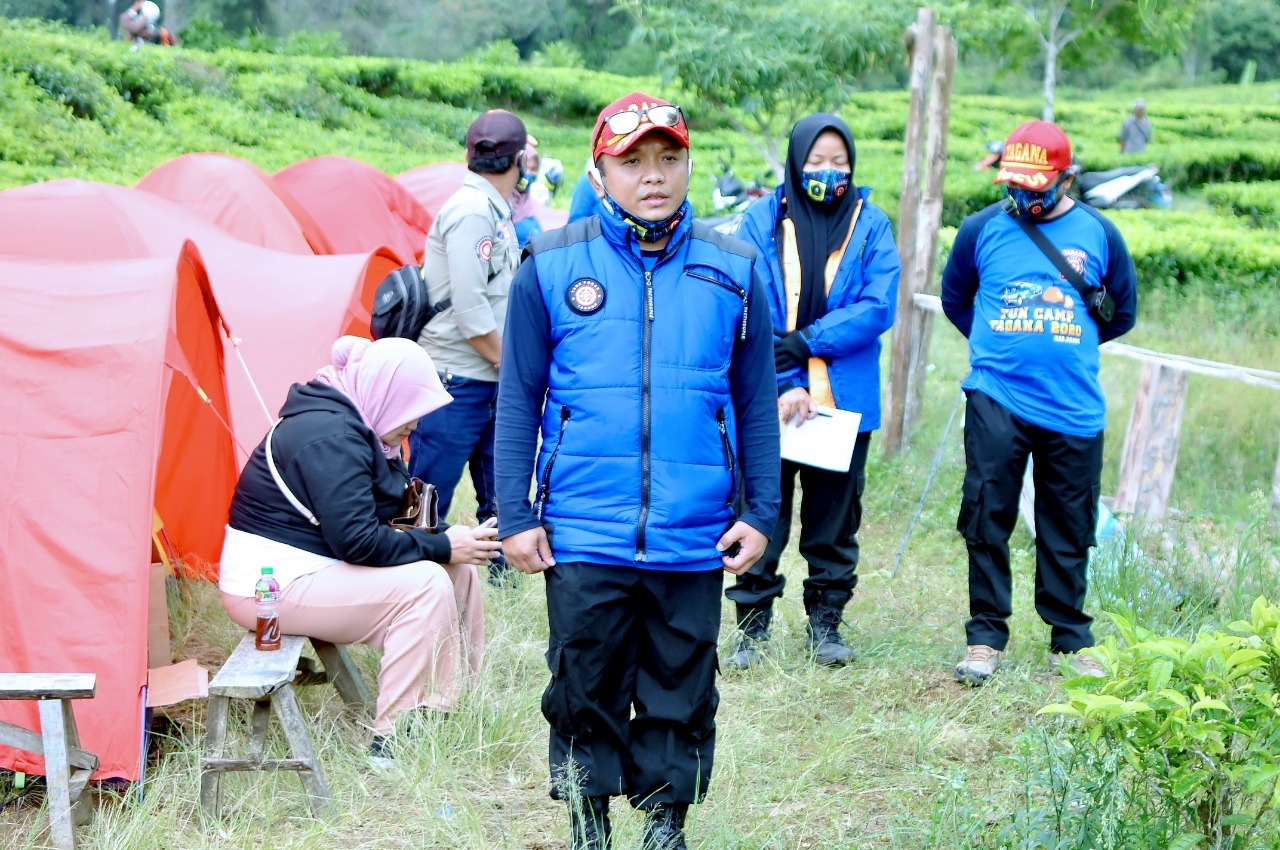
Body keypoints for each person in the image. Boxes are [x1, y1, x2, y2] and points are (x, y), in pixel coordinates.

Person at [496, 92, 781, 850]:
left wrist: (761, 513)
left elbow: (756, 402)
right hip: (584, 527)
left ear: (688, 165)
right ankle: (588, 823)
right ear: (599, 172)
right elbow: (518, 399)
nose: (653, 176)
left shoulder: (734, 268)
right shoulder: (549, 265)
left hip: (694, 528)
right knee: (583, 683)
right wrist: (516, 516)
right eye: (632, 162)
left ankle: (665, 824)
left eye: (668, 158)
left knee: (681, 684)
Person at [220, 337, 501, 763]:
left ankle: (447, 706)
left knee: (458, 570)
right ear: (386, 394)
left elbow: (397, 511)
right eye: (411, 410)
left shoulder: (365, 424)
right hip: (268, 589)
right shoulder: (329, 436)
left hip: (314, 567)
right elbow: (357, 541)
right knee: (426, 582)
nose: (415, 424)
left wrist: (455, 541)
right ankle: (394, 738)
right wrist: (442, 545)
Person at [941, 121, 1138, 686]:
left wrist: (1063, 345)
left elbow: (1121, 313)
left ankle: (1069, 638)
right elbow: (957, 299)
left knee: (1069, 526)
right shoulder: (981, 229)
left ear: (1066, 178)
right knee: (986, 514)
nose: (1023, 196)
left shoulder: (1100, 233)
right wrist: (999, 347)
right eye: (1014, 185)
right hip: (996, 395)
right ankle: (985, 637)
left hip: (1073, 406)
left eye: (1036, 186)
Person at [723, 114, 901, 670]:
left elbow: (877, 306)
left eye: (839, 162)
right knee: (761, 514)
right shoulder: (760, 219)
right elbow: (748, 299)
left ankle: (826, 626)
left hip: (841, 404)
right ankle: (752, 629)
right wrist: (786, 382)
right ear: (796, 162)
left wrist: (806, 341)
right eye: (816, 162)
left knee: (834, 523)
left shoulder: (871, 224)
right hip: (769, 400)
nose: (828, 172)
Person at [409, 109, 526, 585]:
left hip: (486, 375)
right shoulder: (473, 211)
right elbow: (471, 311)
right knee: (426, 495)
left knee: (499, 492)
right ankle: (413, 578)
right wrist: (512, 367)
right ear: (520, 160)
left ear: (468, 155)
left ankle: (501, 582)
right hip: (456, 378)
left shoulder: (493, 209)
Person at [511, 140, 546, 249]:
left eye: (534, 169)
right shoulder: (504, 203)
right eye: (526, 168)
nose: (529, 174)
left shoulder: (527, 202)